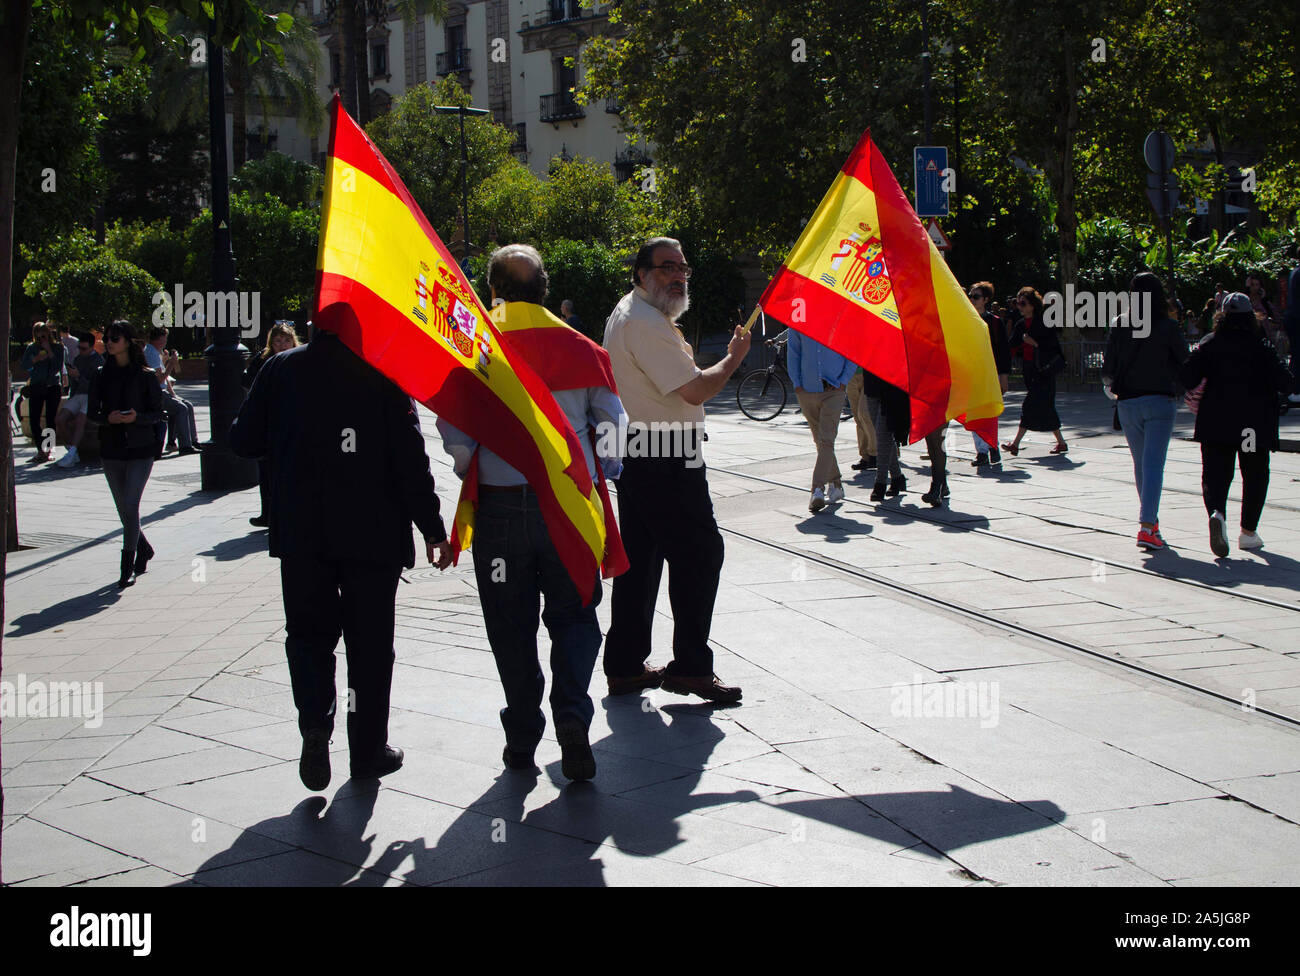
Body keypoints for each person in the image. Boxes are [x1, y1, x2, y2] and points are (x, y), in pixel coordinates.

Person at [230, 328, 453, 791]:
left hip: (302, 533)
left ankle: (315, 724)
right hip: (372, 534)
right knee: (370, 646)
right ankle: (368, 750)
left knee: (308, 637)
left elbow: (243, 440)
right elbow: (411, 459)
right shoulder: (381, 373)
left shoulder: (280, 367)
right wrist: (432, 527)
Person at [438, 245, 627, 781]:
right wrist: (603, 468)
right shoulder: (581, 347)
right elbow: (611, 427)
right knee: (574, 615)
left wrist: (475, 463)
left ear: (492, 289)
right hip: (569, 508)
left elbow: (454, 427)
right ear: (545, 288)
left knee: (509, 624)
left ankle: (522, 732)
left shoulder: (473, 345)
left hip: (498, 509)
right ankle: (572, 714)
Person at [601, 236, 751, 704]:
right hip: (665, 458)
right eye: (667, 267)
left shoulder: (640, 313)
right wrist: (734, 357)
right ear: (641, 273)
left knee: (641, 563)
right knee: (700, 556)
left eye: (683, 267)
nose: (678, 275)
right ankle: (690, 667)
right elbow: (694, 391)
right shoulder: (645, 322)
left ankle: (625, 664)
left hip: (645, 452)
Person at [1180, 293, 1293, 557]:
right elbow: (1286, 382)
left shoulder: (1209, 344)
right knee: (1254, 473)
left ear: (1221, 317)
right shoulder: (1261, 346)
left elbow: (1186, 377)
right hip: (1251, 427)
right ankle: (1248, 532)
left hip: (1216, 423)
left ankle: (1217, 513)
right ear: (1250, 318)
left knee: (1215, 474)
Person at [1102, 273, 1190, 551]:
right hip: (1160, 402)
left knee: (1141, 465)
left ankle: (1150, 523)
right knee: (1153, 465)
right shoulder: (1168, 326)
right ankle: (1147, 525)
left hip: (1128, 402)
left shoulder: (1119, 325)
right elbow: (1186, 361)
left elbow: (1108, 369)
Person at [87, 321, 163, 588]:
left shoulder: (145, 375)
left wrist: (136, 418)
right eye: (107, 338)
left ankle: (127, 565)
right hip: (112, 449)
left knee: (131, 506)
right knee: (124, 511)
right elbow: (92, 413)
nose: (108, 342)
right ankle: (143, 549)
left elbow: (159, 413)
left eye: (115, 338)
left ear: (129, 341)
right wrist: (108, 419)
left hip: (141, 449)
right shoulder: (100, 374)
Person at [786, 329, 856, 512]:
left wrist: (843, 381)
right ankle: (837, 485)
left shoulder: (841, 317)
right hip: (807, 390)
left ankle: (817, 489)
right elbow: (793, 352)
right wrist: (797, 384)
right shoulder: (799, 320)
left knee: (826, 440)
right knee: (820, 441)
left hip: (834, 390)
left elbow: (853, 351)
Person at [243, 323, 300, 527]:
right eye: (278, 341)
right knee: (265, 468)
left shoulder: (299, 359)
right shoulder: (263, 361)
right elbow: (248, 383)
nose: (282, 345)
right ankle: (266, 512)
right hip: (269, 421)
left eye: (286, 340)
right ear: (271, 343)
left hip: (291, 421)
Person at [1002, 287, 1068, 456]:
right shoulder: (1020, 324)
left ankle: (1015, 444)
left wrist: (1035, 344)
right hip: (1029, 370)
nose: (1020, 307)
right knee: (1046, 407)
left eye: (1023, 303)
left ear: (1032, 305)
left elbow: (1054, 348)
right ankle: (1061, 442)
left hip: (1044, 372)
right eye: (1018, 303)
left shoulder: (1044, 323)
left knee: (1030, 405)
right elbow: (1011, 346)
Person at [968, 281, 1009, 467]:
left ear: (985, 299)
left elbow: (1003, 351)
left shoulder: (995, 322)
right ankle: (981, 452)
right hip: (972, 373)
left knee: (990, 413)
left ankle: (992, 446)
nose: (971, 299)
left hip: (990, 374)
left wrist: (1003, 376)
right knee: (975, 413)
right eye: (970, 295)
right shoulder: (965, 319)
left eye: (976, 296)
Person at [144, 327, 198, 457]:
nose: (166, 341)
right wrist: (172, 363)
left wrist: (173, 394)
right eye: (165, 338)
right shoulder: (151, 353)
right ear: (159, 339)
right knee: (181, 409)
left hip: (163, 391)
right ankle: (185, 445)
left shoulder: (156, 352)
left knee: (187, 405)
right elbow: (160, 378)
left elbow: (165, 379)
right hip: (156, 393)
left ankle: (192, 441)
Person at [54, 334, 104, 468]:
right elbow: (75, 385)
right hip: (78, 394)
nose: (81, 351)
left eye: (84, 348)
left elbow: (95, 387)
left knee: (81, 420)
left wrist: (79, 376)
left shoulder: (98, 361)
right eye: (79, 348)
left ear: (92, 347)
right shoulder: (78, 359)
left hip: (91, 396)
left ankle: (72, 452)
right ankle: (72, 450)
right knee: (60, 419)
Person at [21, 322, 65, 463]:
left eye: (44, 334)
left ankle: (49, 449)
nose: (41, 338)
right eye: (38, 335)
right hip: (36, 386)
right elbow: (24, 365)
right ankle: (41, 450)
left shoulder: (57, 347)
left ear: (48, 334)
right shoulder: (32, 348)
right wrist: (36, 359)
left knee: (50, 419)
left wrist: (50, 352)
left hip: (52, 386)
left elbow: (57, 366)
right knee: (34, 419)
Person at [863, 368, 908, 501]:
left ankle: (880, 483)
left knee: (883, 434)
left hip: (891, 382)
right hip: (872, 380)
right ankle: (897, 477)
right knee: (881, 436)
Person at [845, 367, 878, 472]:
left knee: (864, 413)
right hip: (849, 376)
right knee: (858, 419)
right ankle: (865, 457)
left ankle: (874, 453)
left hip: (868, 373)